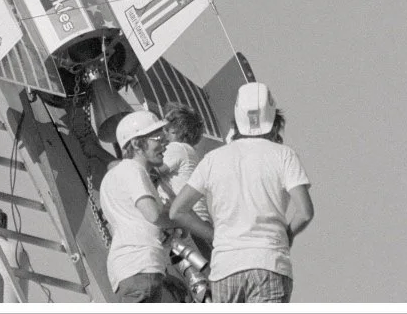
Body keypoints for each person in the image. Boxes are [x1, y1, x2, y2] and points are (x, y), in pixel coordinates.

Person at [170, 83, 314, 303]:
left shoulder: (213, 159)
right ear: (275, 120)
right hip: (269, 262)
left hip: (225, 268)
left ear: (236, 120)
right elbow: (304, 212)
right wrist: (288, 235)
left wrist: (214, 236)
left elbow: (178, 210)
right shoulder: (284, 155)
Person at [101, 110, 177, 303]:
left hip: (130, 271)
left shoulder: (113, 177)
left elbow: (138, 220)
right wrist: (181, 218)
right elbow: (152, 214)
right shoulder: (133, 170)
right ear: (136, 144)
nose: (165, 143)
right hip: (142, 269)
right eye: (158, 137)